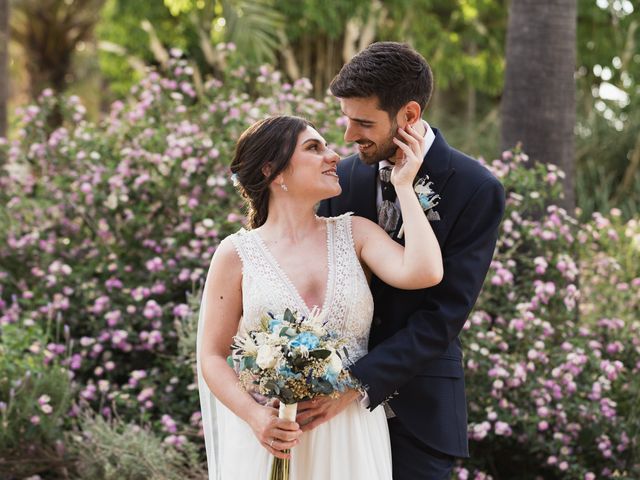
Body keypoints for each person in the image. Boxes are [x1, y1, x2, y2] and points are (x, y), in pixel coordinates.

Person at [197, 114, 443, 479]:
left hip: (351, 435)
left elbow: (424, 271)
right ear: (272, 171)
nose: (333, 155)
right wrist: (256, 418)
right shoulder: (236, 253)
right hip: (274, 435)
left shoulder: (356, 233)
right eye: (314, 148)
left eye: (326, 146)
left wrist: (404, 186)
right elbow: (213, 356)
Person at [307, 42, 506, 479]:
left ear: (409, 115)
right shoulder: (339, 178)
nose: (347, 136)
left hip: (419, 413)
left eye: (363, 122)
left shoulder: (475, 188)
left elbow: (444, 314)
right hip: (329, 415)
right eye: (346, 118)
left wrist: (359, 382)